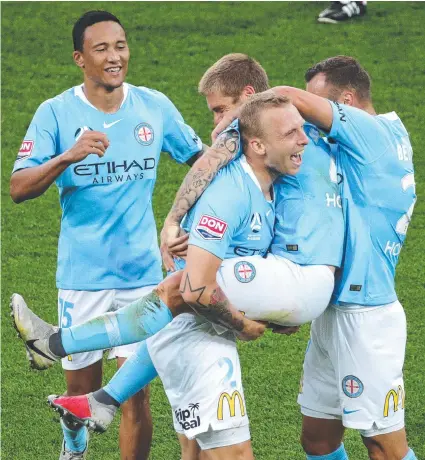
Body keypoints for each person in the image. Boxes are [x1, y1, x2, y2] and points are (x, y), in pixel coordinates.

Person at [12, 54, 344, 457]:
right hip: (293, 286)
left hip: (296, 284)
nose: (218, 123)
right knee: (192, 415)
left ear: (252, 99)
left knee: (180, 290)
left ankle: (60, 348)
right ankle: (100, 399)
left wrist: (244, 321)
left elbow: (211, 165)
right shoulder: (269, 155)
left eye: (222, 111)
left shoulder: (275, 136)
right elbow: (213, 162)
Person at [9, 10, 205, 460]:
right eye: (102, 49)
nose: (115, 57)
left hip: (141, 275)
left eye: (120, 46)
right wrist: (66, 157)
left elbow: (202, 163)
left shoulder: (153, 106)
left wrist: (187, 226)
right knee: (81, 394)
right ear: (81, 58)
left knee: (134, 396)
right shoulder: (55, 112)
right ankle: (73, 447)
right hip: (83, 276)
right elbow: (19, 188)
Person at [214, 55, 417, 460]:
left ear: (347, 101)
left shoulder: (374, 132)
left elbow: (286, 96)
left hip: (367, 318)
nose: (306, 125)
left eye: (317, 107)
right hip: (333, 308)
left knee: (385, 447)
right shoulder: (361, 147)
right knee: (319, 440)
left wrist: (238, 116)